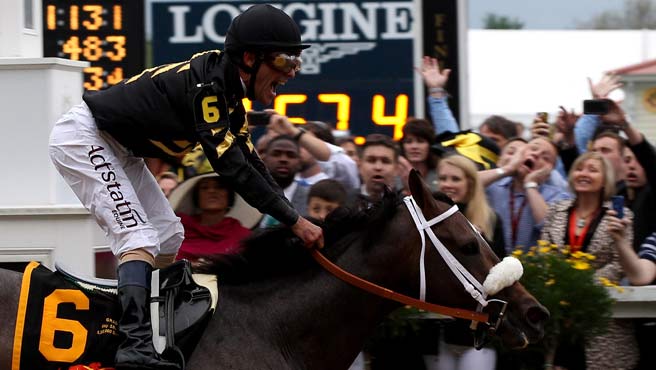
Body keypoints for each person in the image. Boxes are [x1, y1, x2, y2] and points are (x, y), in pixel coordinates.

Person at [47, 4, 323, 369]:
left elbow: (252, 162)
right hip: (84, 138)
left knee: (168, 235)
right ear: (250, 58)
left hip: (118, 147)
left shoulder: (227, 92)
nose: (293, 72)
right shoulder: (210, 89)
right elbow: (232, 167)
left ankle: (151, 330)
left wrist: (292, 214)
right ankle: (133, 344)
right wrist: (294, 221)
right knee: (140, 239)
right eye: (286, 62)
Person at [540, 151, 637, 370]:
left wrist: (581, 286)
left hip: (601, 317)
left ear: (606, 180)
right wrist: (560, 283)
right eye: (580, 169)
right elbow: (544, 252)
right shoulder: (556, 210)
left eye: (593, 170)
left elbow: (619, 263)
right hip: (561, 316)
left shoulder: (621, 215)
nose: (584, 174)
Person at [434, 154, 505, 370]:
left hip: (479, 333)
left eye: (455, 179)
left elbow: (498, 275)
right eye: (443, 178)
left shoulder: (490, 219)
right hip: (440, 331)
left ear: (471, 183)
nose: (447, 184)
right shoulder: (432, 221)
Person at [484, 137, 572, 253]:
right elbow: (467, 184)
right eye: (533, 149)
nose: (536, 154)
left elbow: (549, 227)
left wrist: (531, 185)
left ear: (549, 172)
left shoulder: (558, 197)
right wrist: (508, 168)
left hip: (530, 268)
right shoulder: (495, 185)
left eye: (545, 158)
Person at [169, 174, 253, 261]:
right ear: (196, 196)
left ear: (229, 196)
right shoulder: (176, 231)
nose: (212, 191)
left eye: (219, 187)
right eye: (204, 187)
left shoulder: (244, 237)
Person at [398, 118, 439, 192]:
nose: (414, 146)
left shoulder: (441, 174)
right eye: (408, 142)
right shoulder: (394, 177)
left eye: (420, 141)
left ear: (430, 145)